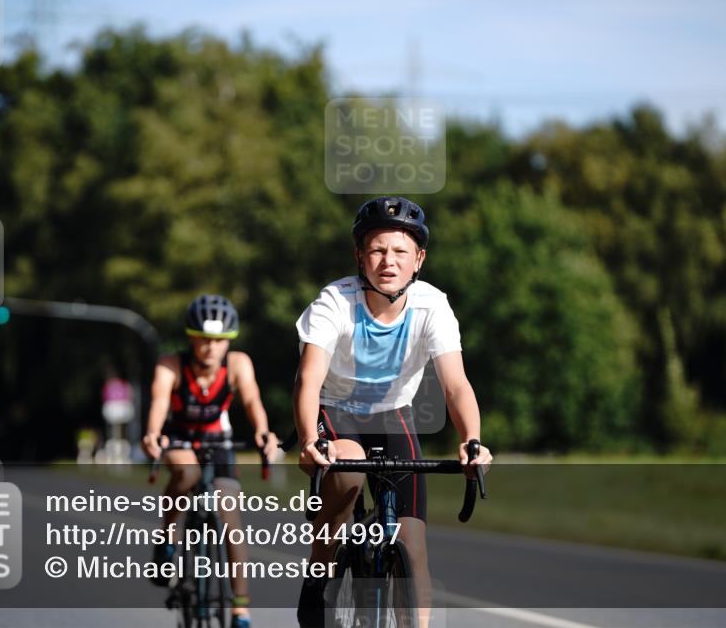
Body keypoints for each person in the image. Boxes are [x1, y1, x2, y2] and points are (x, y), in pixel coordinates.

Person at [293, 196, 493, 628]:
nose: (388, 260)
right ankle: (320, 568)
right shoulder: (335, 302)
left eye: (400, 251)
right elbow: (307, 380)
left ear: (418, 259)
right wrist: (310, 439)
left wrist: (472, 441)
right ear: (359, 256)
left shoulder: (432, 306)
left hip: (392, 414)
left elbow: (456, 384)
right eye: (378, 249)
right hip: (336, 409)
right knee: (348, 470)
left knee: (414, 547)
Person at [142, 294, 279, 628]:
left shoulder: (238, 364)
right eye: (203, 339)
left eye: (218, 340)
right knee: (186, 474)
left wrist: (263, 432)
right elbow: (160, 401)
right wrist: (152, 434)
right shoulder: (170, 365)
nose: (210, 347)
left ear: (228, 341)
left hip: (219, 441)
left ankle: (240, 607)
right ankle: (168, 540)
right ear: (191, 337)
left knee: (231, 517)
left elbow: (252, 399)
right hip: (179, 438)